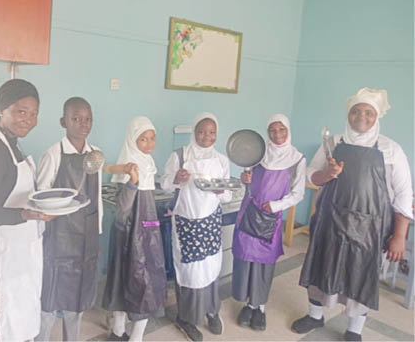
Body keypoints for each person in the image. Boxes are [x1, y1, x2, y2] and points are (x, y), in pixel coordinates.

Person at [291, 88, 413, 342]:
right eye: (356, 111)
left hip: (371, 228)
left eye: (368, 112)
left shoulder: (391, 150)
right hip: (330, 222)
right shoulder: (332, 143)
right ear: (348, 115)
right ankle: (315, 315)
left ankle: (354, 329)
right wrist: (328, 174)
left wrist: (399, 236)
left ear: (376, 116)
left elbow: (403, 195)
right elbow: (310, 175)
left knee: (360, 276)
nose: (361, 116)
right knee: (320, 268)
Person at [0, 79, 53, 341]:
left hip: (19, 254)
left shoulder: (11, 145)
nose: (28, 119)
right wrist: (24, 215)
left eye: (34, 113)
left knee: (17, 322)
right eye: (21, 111)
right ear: (1, 110)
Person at [35, 97, 102, 341]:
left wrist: (97, 239)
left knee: (77, 303)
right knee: (49, 302)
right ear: (64, 121)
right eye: (76, 118)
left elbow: (97, 201)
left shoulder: (95, 156)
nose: (83, 124)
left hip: (86, 240)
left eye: (87, 119)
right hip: (57, 239)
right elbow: (40, 197)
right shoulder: (53, 154)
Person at [231, 114, 306, 332]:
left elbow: (298, 193)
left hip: (270, 216)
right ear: (267, 133)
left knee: (264, 262)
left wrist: (275, 206)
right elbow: (249, 180)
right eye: (272, 130)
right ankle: (248, 304)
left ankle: (260, 307)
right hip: (249, 211)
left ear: (288, 130)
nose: (278, 135)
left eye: (281, 129)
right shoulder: (258, 155)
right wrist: (245, 179)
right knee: (245, 258)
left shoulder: (296, 159)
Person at [161, 112, 231, 341]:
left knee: (210, 267)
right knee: (190, 271)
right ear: (194, 131)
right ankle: (186, 318)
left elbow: (227, 195)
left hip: (210, 220)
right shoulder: (180, 156)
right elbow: (165, 184)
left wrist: (220, 191)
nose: (206, 136)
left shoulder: (221, 160)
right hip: (186, 221)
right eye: (202, 131)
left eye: (211, 132)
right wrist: (177, 178)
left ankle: (212, 310)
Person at [102, 116, 167, 342]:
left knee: (145, 281)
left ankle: (136, 335)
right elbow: (122, 210)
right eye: (142, 139)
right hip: (127, 232)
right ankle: (119, 331)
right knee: (124, 278)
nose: (149, 144)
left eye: (152, 138)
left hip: (147, 232)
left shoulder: (148, 162)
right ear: (132, 140)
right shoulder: (128, 165)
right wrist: (132, 182)